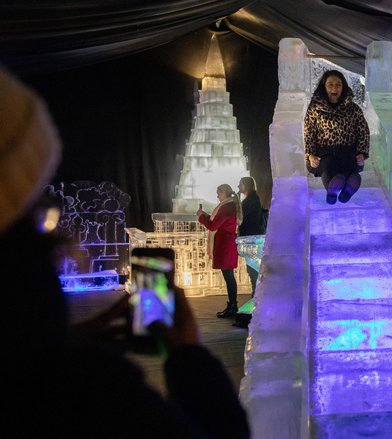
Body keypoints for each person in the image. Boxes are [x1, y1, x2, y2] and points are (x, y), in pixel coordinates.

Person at [0, 66, 250, 438]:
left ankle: (231, 306)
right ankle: (230, 307)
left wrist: (63, 342)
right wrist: (187, 356)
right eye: (40, 215)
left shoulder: (36, 372)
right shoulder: (91, 391)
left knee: (229, 282)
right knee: (226, 282)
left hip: (225, 248)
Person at [304, 69, 370, 204]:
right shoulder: (314, 109)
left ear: (343, 86)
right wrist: (310, 155)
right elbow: (309, 132)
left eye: (338, 84)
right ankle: (332, 189)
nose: (334, 87)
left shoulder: (353, 109)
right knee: (328, 168)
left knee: (350, 166)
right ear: (324, 87)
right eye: (330, 84)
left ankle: (349, 187)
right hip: (325, 152)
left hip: (347, 151)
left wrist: (362, 153)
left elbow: (363, 131)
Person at [197, 184, 242, 318]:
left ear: (224, 192)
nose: (217, 196)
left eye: (218, 193)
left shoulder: (226, 207)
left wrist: (201, 216)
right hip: (228, 245)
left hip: (225, 246)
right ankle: (232, 305)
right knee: (229, 276)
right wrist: (206, 215)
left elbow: (213, 225)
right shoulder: (231, 206)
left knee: (228, 276)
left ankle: (233, 306)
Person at [238, 176, 265, 297]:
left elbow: (242, 217)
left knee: (252, 267)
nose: (238, 186)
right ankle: (256, 292)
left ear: (246, 185)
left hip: (251, 238)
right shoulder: (251, 198)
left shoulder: (251, 200)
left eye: (240, 184)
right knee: (252, 267)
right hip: (251, 237)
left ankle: (256, 293)